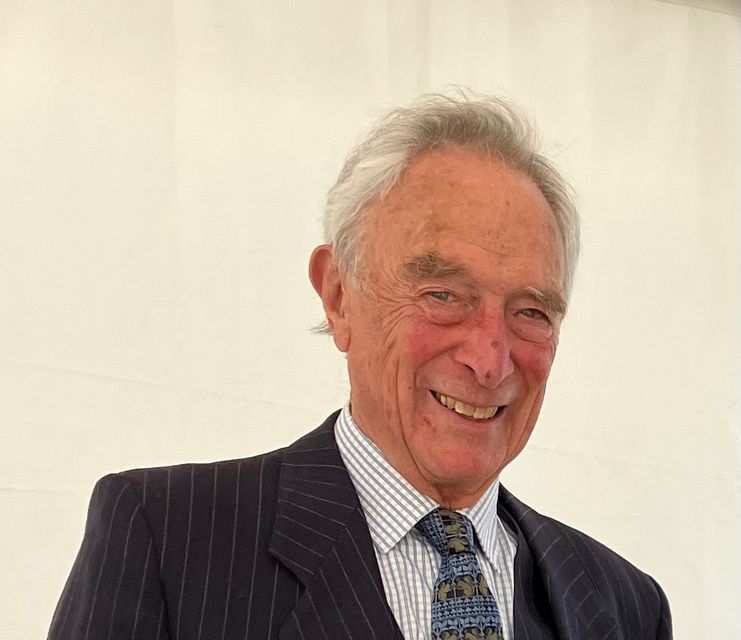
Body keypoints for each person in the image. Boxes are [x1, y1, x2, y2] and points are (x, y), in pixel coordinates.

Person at [49, 93, 672, 640]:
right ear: (339, 295)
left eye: (531, 311)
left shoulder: (625, 605)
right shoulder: (169, 541)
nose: (489, 358)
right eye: (442, 296)